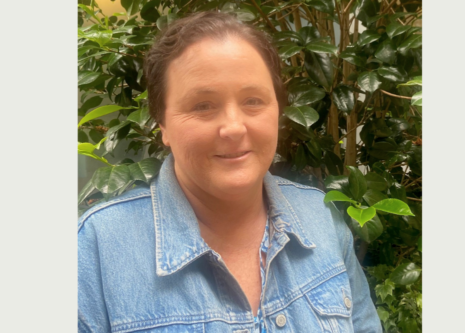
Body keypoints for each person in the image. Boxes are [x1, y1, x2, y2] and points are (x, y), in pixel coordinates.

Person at [78, 11, 382, 333]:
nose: (234, 128)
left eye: (253, 100)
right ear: (162, 124)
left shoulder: (320, 220)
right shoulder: (94, 253)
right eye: (202, 106)